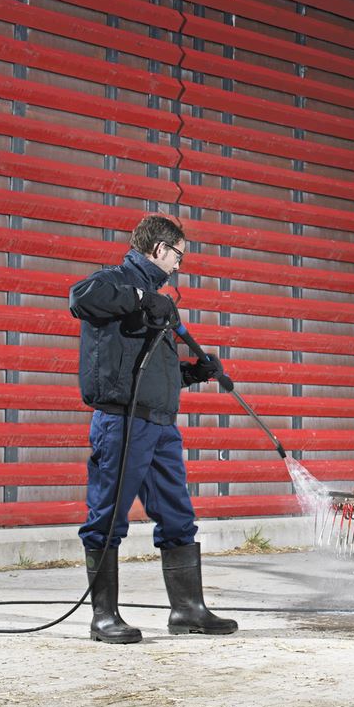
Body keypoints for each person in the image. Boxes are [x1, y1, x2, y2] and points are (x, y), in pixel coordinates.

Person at [68, 213, 237, 643]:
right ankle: (103, 617)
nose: (179, 265)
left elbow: (147, 371)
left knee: (178, 516)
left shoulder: (161, 304)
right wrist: (142, 298)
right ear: (160, 249)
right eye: (178, 255)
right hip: (122, 423)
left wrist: (192, 373)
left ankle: (188, 610)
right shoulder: (113, 283)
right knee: (107, 517)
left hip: (160, 426)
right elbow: (79, 298)